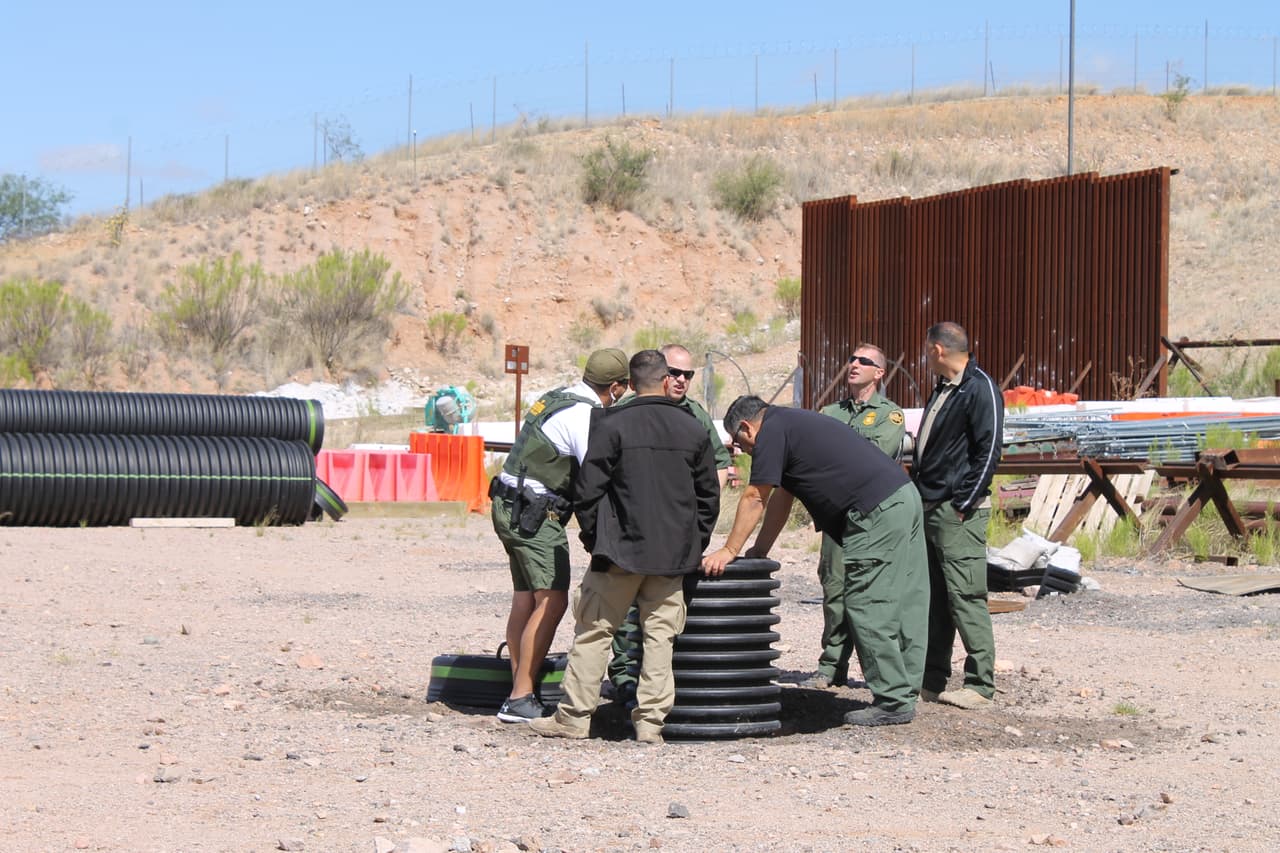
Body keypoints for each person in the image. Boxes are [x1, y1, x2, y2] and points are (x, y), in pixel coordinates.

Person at [529, 350, 720, 744]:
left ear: (631, 384)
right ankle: (650, 725)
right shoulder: (693, 429)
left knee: (594, 632)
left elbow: (588, 491)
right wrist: (692, 544)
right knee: (660, 638)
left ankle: (573, 719)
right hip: (672, 559)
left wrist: (596, 540)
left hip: (617, 554)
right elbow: (709, 498)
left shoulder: (611, 424)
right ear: (666, 381)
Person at [704, 396, 928, 727]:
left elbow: (755, 496)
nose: (745, 451)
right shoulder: (792, 423)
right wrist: (760, 549)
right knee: (908, 598)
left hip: (874, 511)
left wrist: (729, 549)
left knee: (867, 603)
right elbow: (782, 497)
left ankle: (893, 700)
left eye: (741, 443)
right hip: (902, 496)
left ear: (747, 427)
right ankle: (906, 688)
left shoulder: (771, 432)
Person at [489, 347, 630, 723]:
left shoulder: (557, 397)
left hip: (509, 505)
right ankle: (520, 697)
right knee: (552, 601)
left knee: (526, 599)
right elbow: (595, 476)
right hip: (534, 514)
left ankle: (520, 692)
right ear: (616, 387)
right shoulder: (586, 416)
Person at [603, 342, 731, 704]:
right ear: (659, 374)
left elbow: (718, 467)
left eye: (687, 375)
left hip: (676, 530)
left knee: (665, 613)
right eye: (674, 373)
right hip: (630, 529)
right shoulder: (627, 411)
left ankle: (659, 688)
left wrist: (695, 521)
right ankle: (625, 677)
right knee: (624, 609)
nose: (681, 380)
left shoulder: (695, 415)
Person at [913, 321, 1003, 711]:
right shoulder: (945, 388)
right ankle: (931, 680)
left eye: (925, 350)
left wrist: (963, 503)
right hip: (931, 507)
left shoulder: (980, 388)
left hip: (957, 511)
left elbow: (990, 450)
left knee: (966, 595)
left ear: (937, 349)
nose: (924, 357)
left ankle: (980, 685)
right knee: (936, 599)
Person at [804, 343, 906, 689]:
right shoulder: (830, 412)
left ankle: (883, 676)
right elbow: (813, 456)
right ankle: (831, 667)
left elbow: (874, 459)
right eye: (852, 359)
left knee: (872, 594)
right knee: (834, 590)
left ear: (879, 373)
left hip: (871, 519)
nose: (854, 364)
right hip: (836, 516)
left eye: (864, 361)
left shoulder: (890, 415)